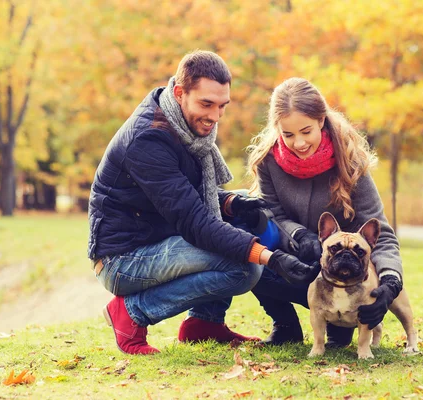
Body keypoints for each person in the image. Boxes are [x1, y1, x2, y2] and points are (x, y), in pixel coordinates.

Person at [87, 51, 319, 355]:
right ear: (180, 93)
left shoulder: (184, 125)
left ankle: (204, 324)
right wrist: (270, 258)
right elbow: (195, 222)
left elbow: (191, 196)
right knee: (245, 269)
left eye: (222, 105)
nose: (215, 116)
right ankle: (131, 313)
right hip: (124, 259)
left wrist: (233, 203)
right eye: (206, 104)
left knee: (247, 209)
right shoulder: (149, 139)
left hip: (160, 237)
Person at [246, 77, 404, 347]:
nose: (298, 143)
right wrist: (301, 236)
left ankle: (340, 326)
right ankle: (284, 324)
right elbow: (272, 216)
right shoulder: (267, 161)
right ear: (277, 129)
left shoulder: (351, 162)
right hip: (293, 265)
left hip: (344, 276)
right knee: (246, 227)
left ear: (321, 121)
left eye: (306, 131)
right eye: (288, 134)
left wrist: (391, 281)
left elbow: (381, 232)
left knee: (340, 340)